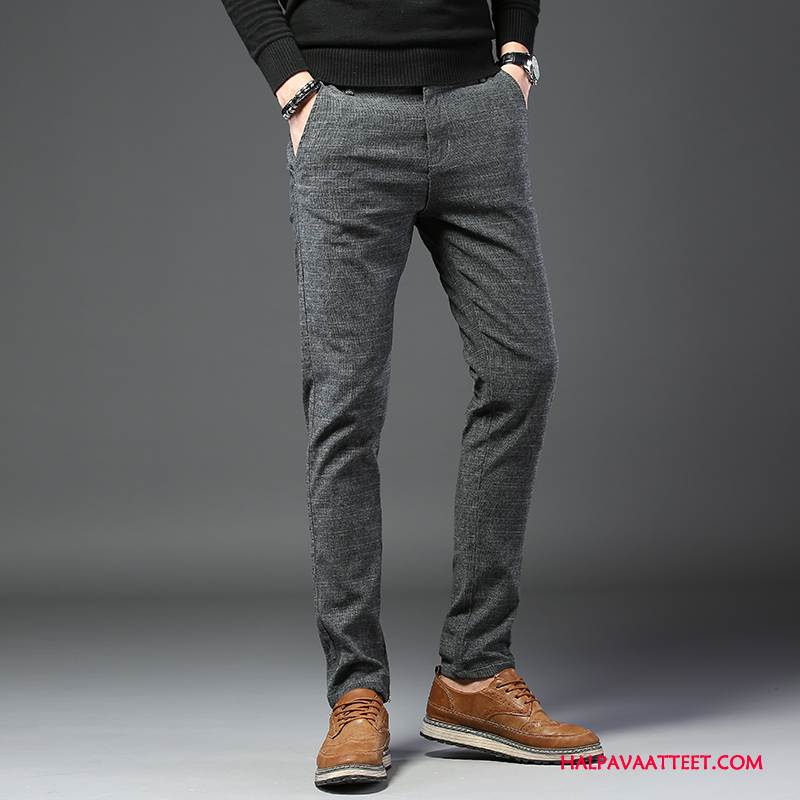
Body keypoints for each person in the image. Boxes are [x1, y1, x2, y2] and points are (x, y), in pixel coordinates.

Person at [220, 0, 602, 786]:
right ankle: (356, 694)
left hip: (478, 113)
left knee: (522, 368)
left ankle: (475, 673)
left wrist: (517, 57)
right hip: (345, 118)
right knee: (345, 404)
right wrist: (292, 84)